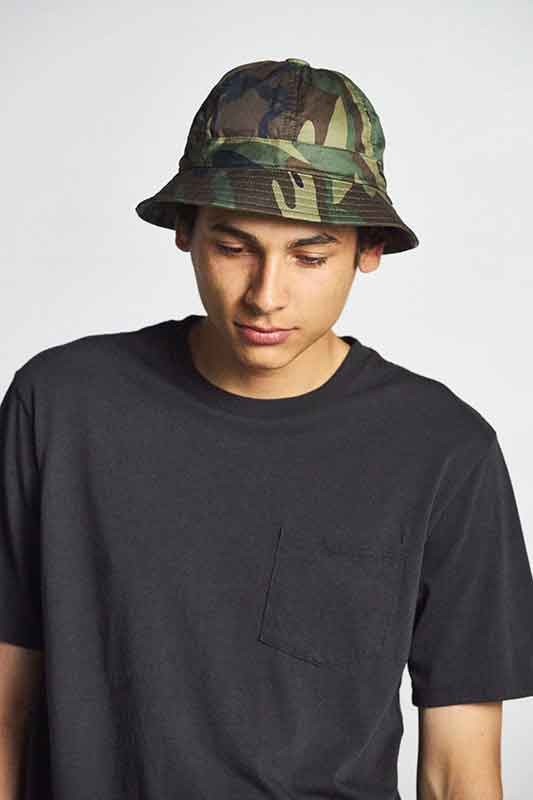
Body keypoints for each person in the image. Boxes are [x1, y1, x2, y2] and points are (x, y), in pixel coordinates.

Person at [1, 57, 532, 800]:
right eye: (233, 247)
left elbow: (459, 770)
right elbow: (6, 707)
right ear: (185, 231)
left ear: (368, 250)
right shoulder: (60, 405)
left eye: (309, 255)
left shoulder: (445, 450)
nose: (266, 295)